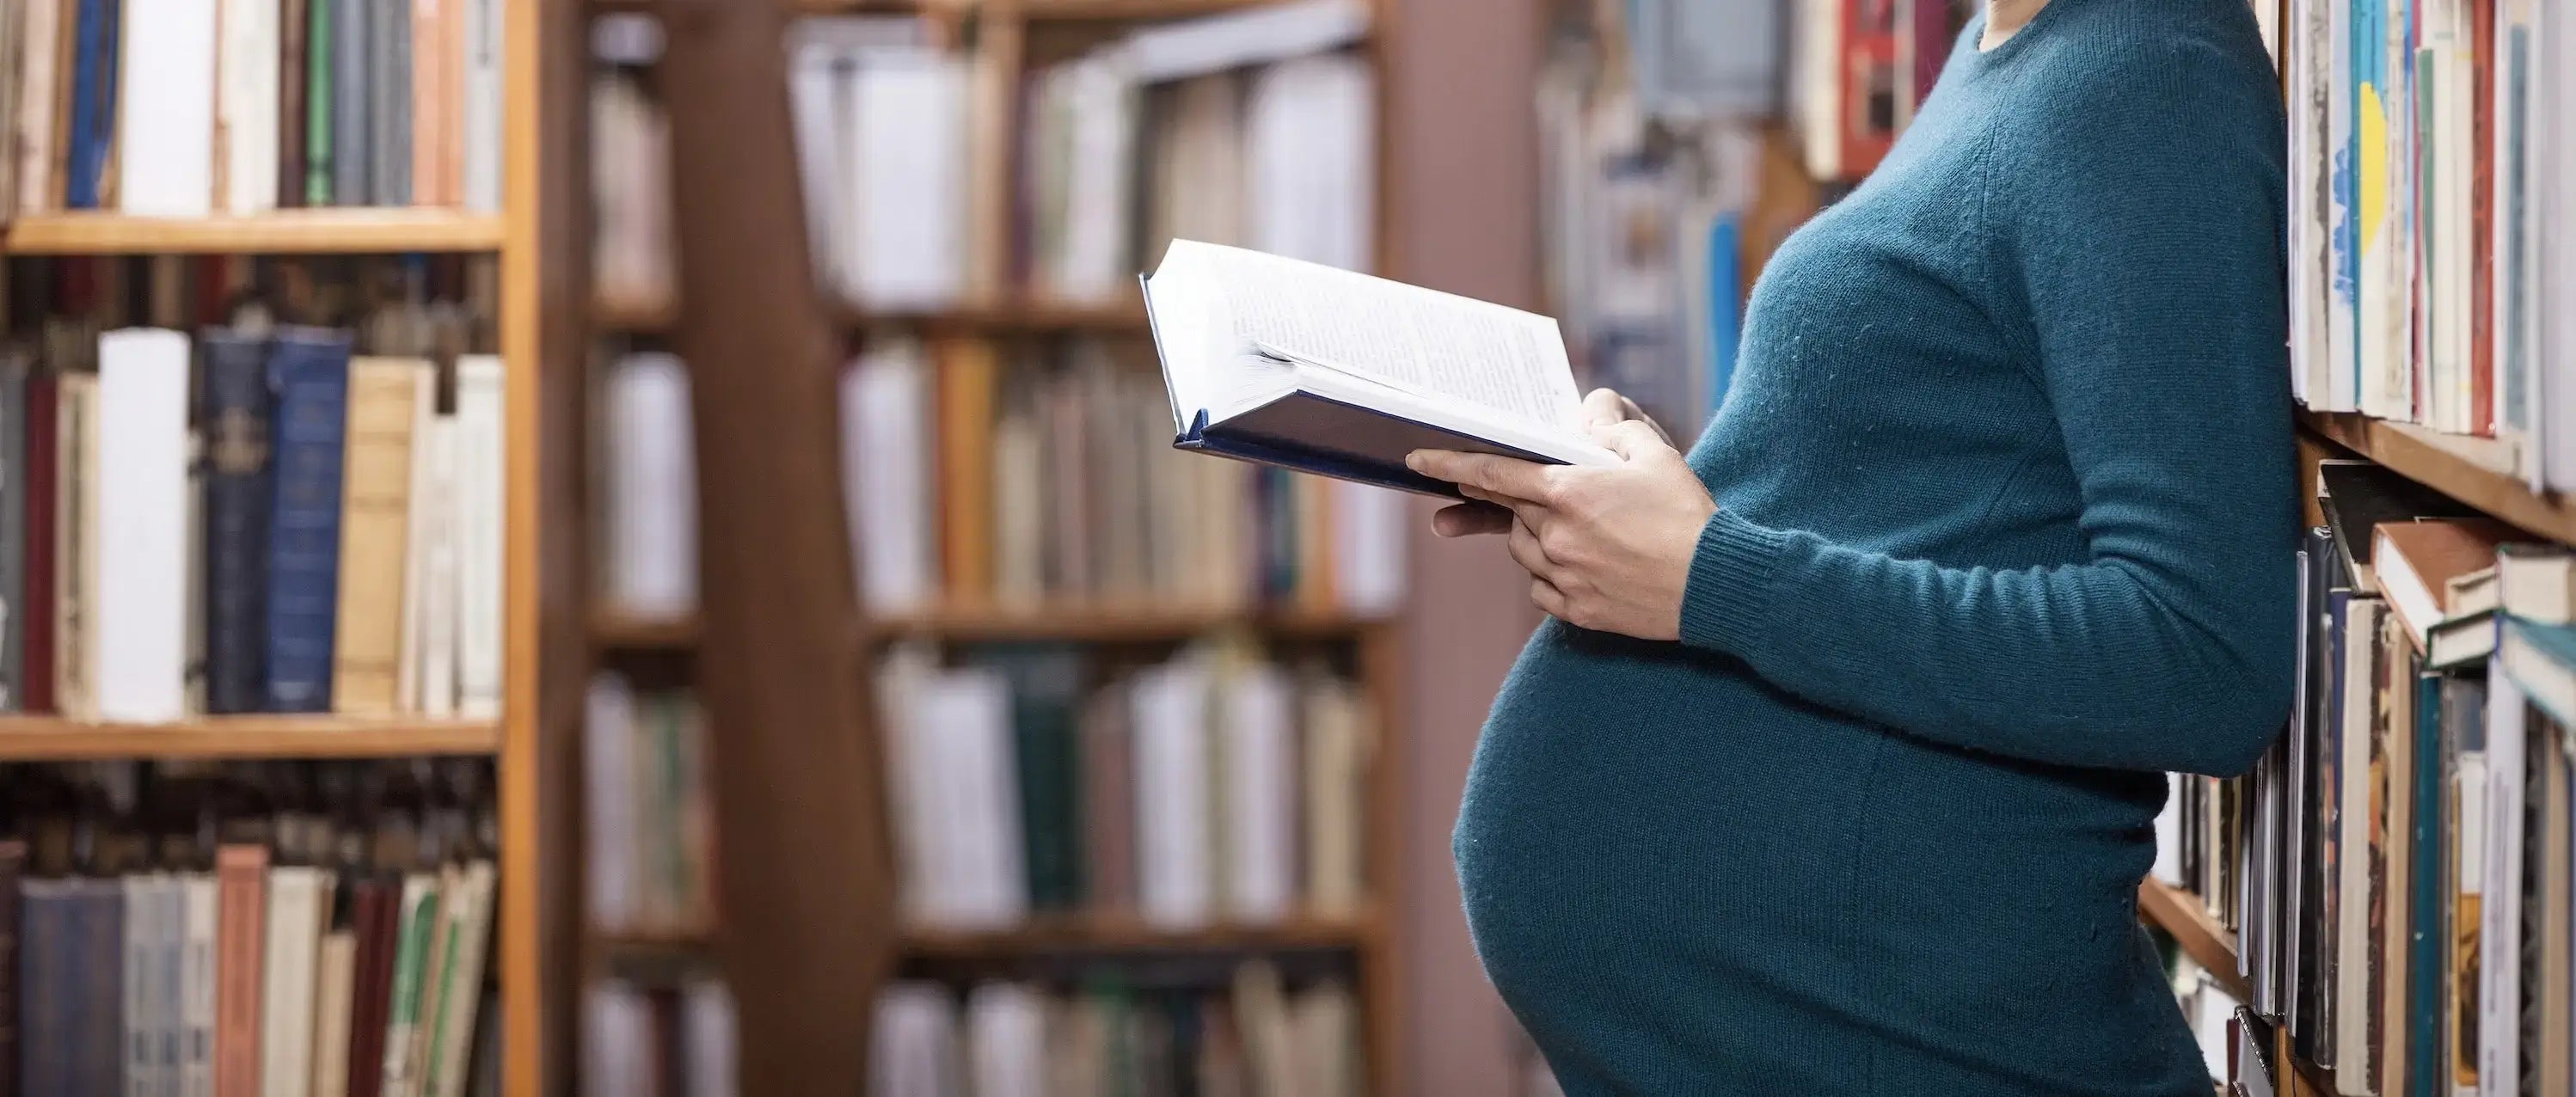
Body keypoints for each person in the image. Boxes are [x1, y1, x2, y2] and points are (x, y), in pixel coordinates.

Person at [1407, 0, 2293, 1092]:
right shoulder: (2000, 47)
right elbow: (1939, 496)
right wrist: (1643, 500)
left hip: (1911, 1037)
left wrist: (1711, 576)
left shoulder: (2150, 77)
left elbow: (2201, 654)